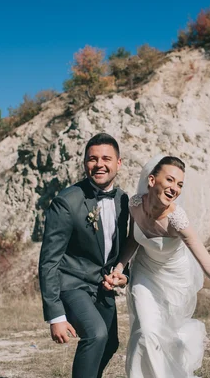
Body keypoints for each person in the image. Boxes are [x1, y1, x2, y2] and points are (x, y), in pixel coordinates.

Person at [105, 155, 210, 378]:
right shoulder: (135, 205)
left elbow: (209, 266)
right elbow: (134, 239)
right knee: (145, 333)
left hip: (175, 281)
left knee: (166, 338)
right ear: (151, 180)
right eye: (170, 180)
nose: (175, 188)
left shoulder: (177, 220)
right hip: (144, 273)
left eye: (180, 184)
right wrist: (120, 267)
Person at [38, 133, 130, 378]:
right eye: (92, 159)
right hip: (72, 284)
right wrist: (55, 315)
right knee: (96, 334)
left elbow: (118, 249)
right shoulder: (66, 202)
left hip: (102, 286)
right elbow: (49, 261)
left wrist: (123, 276)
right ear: (85, 164)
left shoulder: (123, 200)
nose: (99, 164)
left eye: (106, 158)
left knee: (110, 343)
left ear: (118, 163)